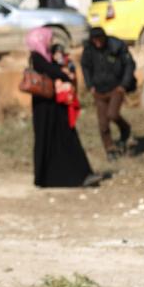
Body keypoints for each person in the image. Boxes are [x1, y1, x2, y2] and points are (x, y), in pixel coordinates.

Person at [27, 28, 98, 188]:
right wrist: (64, 75)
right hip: (45, 108)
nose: (50, 42)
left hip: (54, 106)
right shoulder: (37, 57)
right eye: (48, 39)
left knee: (65, 137)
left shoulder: (46, 56)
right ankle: (57, 177)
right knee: (52, 138)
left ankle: (79, 175)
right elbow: (52, 71)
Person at [80, 27, 136, 161]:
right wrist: (90, 85)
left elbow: (129, 64)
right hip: (99, 91)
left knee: (113, 114)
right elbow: (85, 67)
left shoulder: (116, 46)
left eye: (100, 39)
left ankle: (125, 129)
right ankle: (110, 149)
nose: (98, 42)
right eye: (95, 39)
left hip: (116, 88)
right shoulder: (88, 50)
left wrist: (124, 85)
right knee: (103, 124)